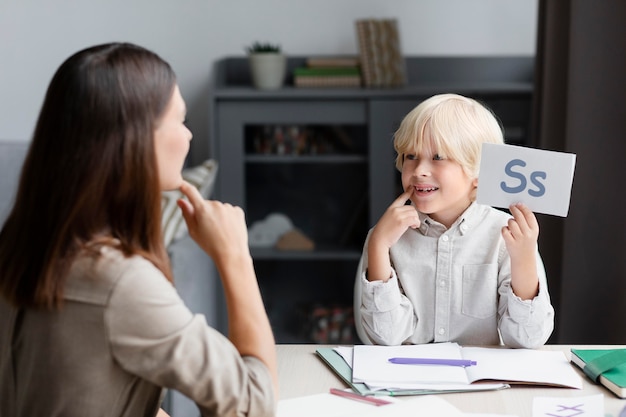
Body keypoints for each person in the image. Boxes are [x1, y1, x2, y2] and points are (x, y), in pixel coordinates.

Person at [0, 43, 277, 417]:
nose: (189, 136)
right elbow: (255, 406)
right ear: (137, 140)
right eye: (180, 121)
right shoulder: (119, 282)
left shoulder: (18, 245)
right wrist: (235, 256)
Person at [355, 93, 554, 348]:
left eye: (438, 158)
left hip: (484, 380)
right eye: (410, 156)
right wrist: (379, 246)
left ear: (479, 172)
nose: (419, 171)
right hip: (410, 379)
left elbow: (528, 339)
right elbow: (386, 337)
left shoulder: (506, 237)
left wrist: (524, 258)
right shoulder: (386, 236)